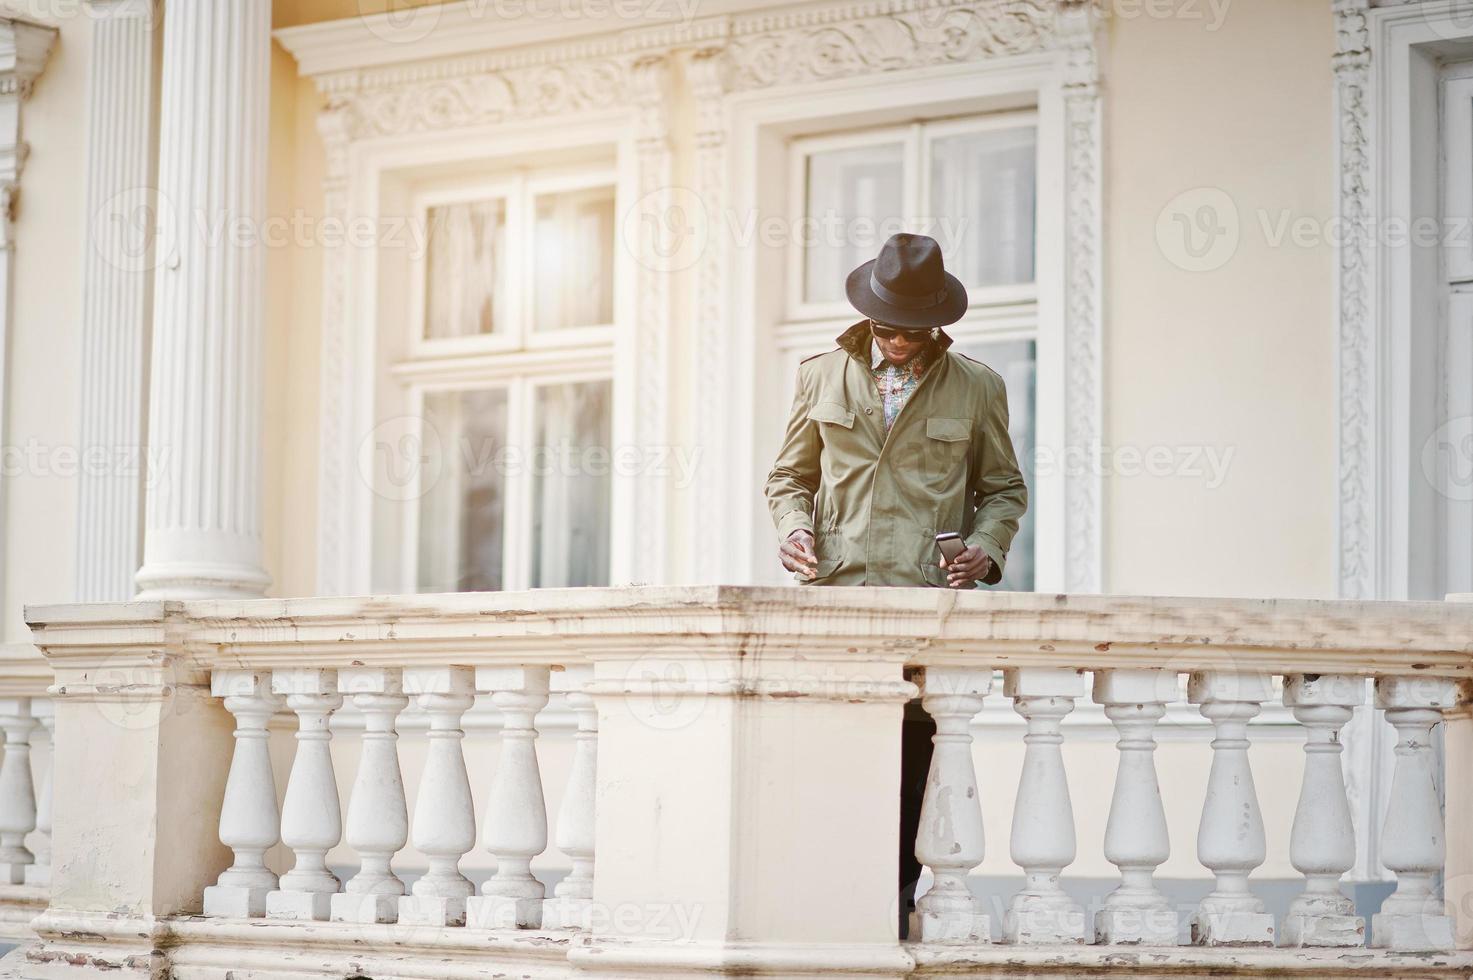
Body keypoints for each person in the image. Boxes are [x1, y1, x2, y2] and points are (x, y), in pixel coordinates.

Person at [763, 232, 1028, 939]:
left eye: (913, 330)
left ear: (936, 321)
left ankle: (889, 912)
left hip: (921, 605)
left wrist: (983, 550)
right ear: (867, 316)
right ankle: (820, 907)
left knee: (911, 763)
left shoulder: (977, 386)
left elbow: (1003, 490)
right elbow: (790, 477)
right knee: (825, 754)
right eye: (886, 328)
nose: (899, 342)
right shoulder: (819, 375)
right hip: (833, 598)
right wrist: (792, 528)